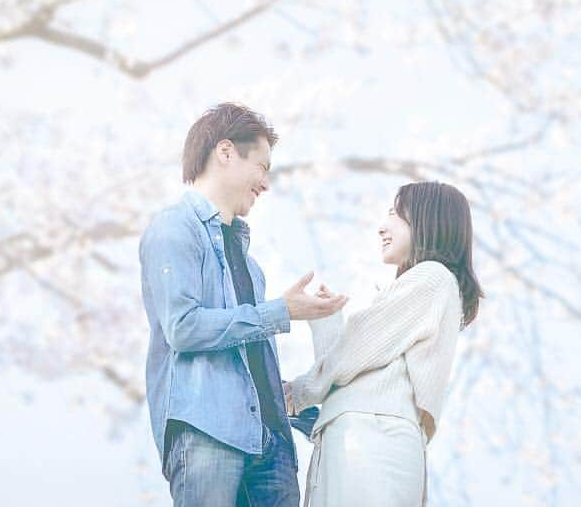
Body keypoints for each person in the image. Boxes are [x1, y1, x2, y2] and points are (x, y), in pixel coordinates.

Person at [139, 103, 348, 506]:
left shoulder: (250, 267)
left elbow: (248, 360)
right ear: (226, 152)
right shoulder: (174, 227)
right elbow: (182, 327)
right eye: (262, 166)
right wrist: (281, 311)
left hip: (273, 448)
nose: (266, 183)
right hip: (208, 435)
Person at [284, 181, 483, 507]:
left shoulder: (432, 277)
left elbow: (351, 354)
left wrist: (297, 393)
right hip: (359, 435)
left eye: (394, 213)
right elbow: (344, 371)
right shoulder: (427, 288)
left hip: (371, 439)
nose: (381, 227)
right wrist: (326, 324)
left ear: (426, 220)